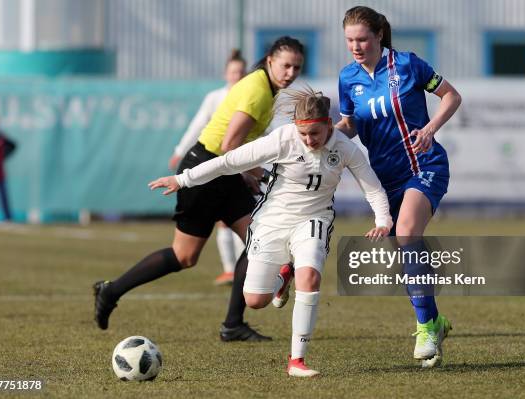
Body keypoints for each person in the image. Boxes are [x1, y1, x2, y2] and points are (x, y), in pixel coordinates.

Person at [148, 86, 393, 377]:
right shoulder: (283, 139)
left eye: (314, 133)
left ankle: (297, 360)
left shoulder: (345, 148)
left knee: (310, 275)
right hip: (272, 220)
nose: (308, 140)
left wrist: (383, 219)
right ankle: (282, 277)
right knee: (255, 300)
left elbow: (372, 186)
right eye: (303, 134)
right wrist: (183, 178)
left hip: (314, 219)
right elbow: (228, 162)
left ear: (328, 125)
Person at [93, 37, 305, 343]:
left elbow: (238, 145)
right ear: (270, 60)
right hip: (206, 169)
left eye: (297, 67)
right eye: (286, 65)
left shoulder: (267, 87)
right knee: (185, 256)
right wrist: (250, 172)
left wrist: (250, 172)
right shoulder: (258, 90)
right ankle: (110, 290)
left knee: (259, 240)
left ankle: (233, 324)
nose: (291, 72)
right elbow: (228, 145)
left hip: (222, 171)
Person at [336, 6, 462, 368]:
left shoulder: (407, 64)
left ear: (378, 35)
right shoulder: (348, 78)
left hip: (425, 166)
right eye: (349, 40)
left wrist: (430, 129)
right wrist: (324, 136)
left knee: (406, 232)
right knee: (408, 254)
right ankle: (435, 320)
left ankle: (424, 330)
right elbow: (350, 126)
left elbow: (452, 96)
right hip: (384, 179)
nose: (356, 46)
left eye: (362, 39)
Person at [168, 49, 248, 286]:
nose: (237, 75)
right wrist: (180, 150)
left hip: (240, 161)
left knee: (240, 218)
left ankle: (242, 270)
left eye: (242, 71)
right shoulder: (215, 97)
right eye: (234, 71)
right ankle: (230, 270)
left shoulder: (250, 96)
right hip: (214, 162)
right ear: (226, 74)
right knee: (225, 220)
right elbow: (198, 124)